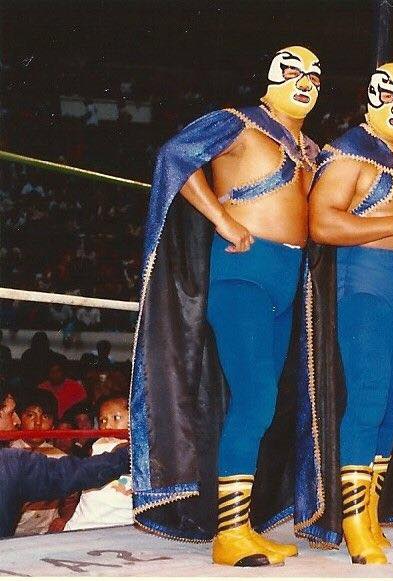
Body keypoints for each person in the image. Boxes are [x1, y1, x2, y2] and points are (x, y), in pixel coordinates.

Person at [131, 46, 323, 566]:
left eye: (314, 76)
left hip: (288, 280)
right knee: (256, 398)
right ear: (270, 77)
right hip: (244, 273)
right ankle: (229, 534)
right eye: (293, 71)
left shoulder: (309, 149)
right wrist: (222, 219)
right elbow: (174, 156)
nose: (305, 82)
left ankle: (244, 525)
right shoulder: (237, 122)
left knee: (265, 405)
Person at [308, 62, 393, 565]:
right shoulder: (349, 151)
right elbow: (321, 224)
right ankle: (351, 523)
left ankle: (367, 513)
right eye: (390, 95)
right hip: (365, 287)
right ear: (370, 99)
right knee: (368, 398)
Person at [0, 385, 130, 538]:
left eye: (45, 417)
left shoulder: (59, 456)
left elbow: (71, 491)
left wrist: (64, 519)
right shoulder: (11, 461)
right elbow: (72, 474)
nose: (16, 420)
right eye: (11, 413)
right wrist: (132, 452)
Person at [65, 396, 133, 530]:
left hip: (124, 521)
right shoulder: (100, 445)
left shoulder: (146, 447)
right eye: (103, 420)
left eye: (116, 418)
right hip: (89, 520)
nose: (107, 426)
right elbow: (119, 451)